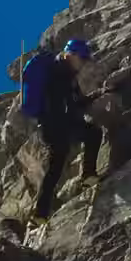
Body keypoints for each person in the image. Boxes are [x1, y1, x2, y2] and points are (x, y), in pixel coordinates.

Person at [6, 38, 104, 224]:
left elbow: (74, 101)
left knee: (55, 168)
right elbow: (69, 102)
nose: (82, 63)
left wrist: (95, 95)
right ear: (71, 54)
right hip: (58, 123)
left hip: (50, 126)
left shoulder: (64, 73)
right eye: (81, 58)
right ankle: (88, 176)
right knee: (93, 133)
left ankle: (40, 214)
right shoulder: (59, 71)